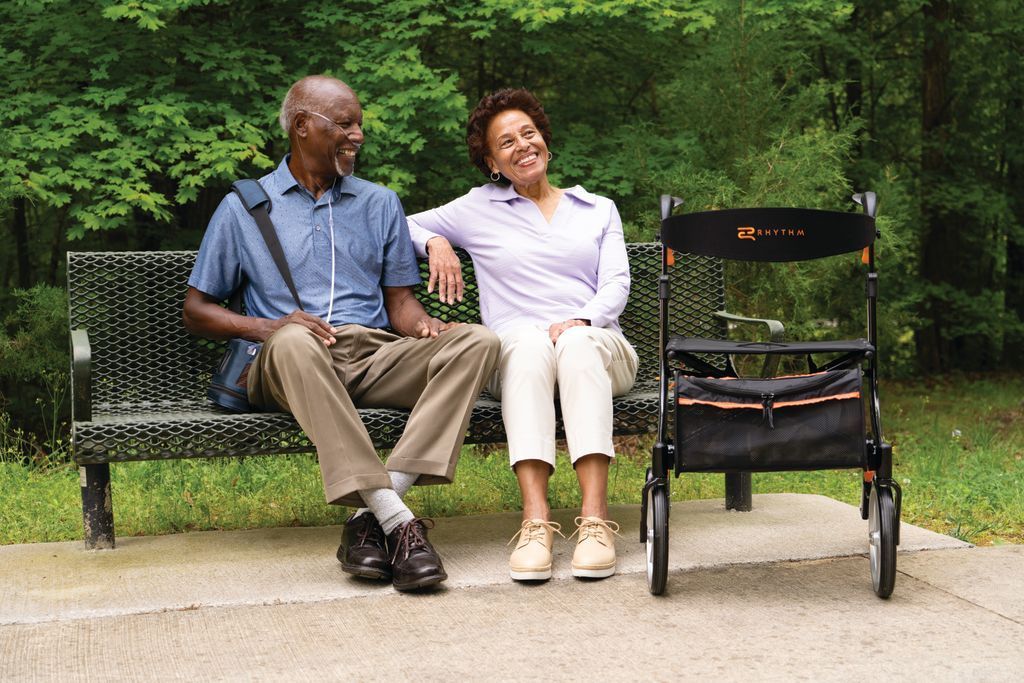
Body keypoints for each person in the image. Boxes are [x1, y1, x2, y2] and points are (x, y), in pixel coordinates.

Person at [183, 75, 500, 592]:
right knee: (294, 340)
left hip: (371, 353)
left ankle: (372, 517)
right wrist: (273, 324)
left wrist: (426, 327)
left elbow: (399, 303)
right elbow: (197, 311)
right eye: (345, 124)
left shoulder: (379, 203)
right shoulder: (244, 206)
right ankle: (402, 527)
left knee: (479, 341)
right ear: (303, 126)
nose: (357, 135)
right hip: (287, 362)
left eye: (360, 125)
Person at [407, 88, 638, 581]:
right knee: (532, 345)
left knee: (573, 345)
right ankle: (536, 524)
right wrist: (435, 239)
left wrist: (582, 320)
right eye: (506, 142)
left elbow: (617, 281)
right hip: (518, 353)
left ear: (545, 142)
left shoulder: (597, 208)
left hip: (599, 346)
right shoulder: (476, 208)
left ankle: (595, 522)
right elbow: (395, 224)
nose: (522, 146)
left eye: (528, 134)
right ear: (492, 161)